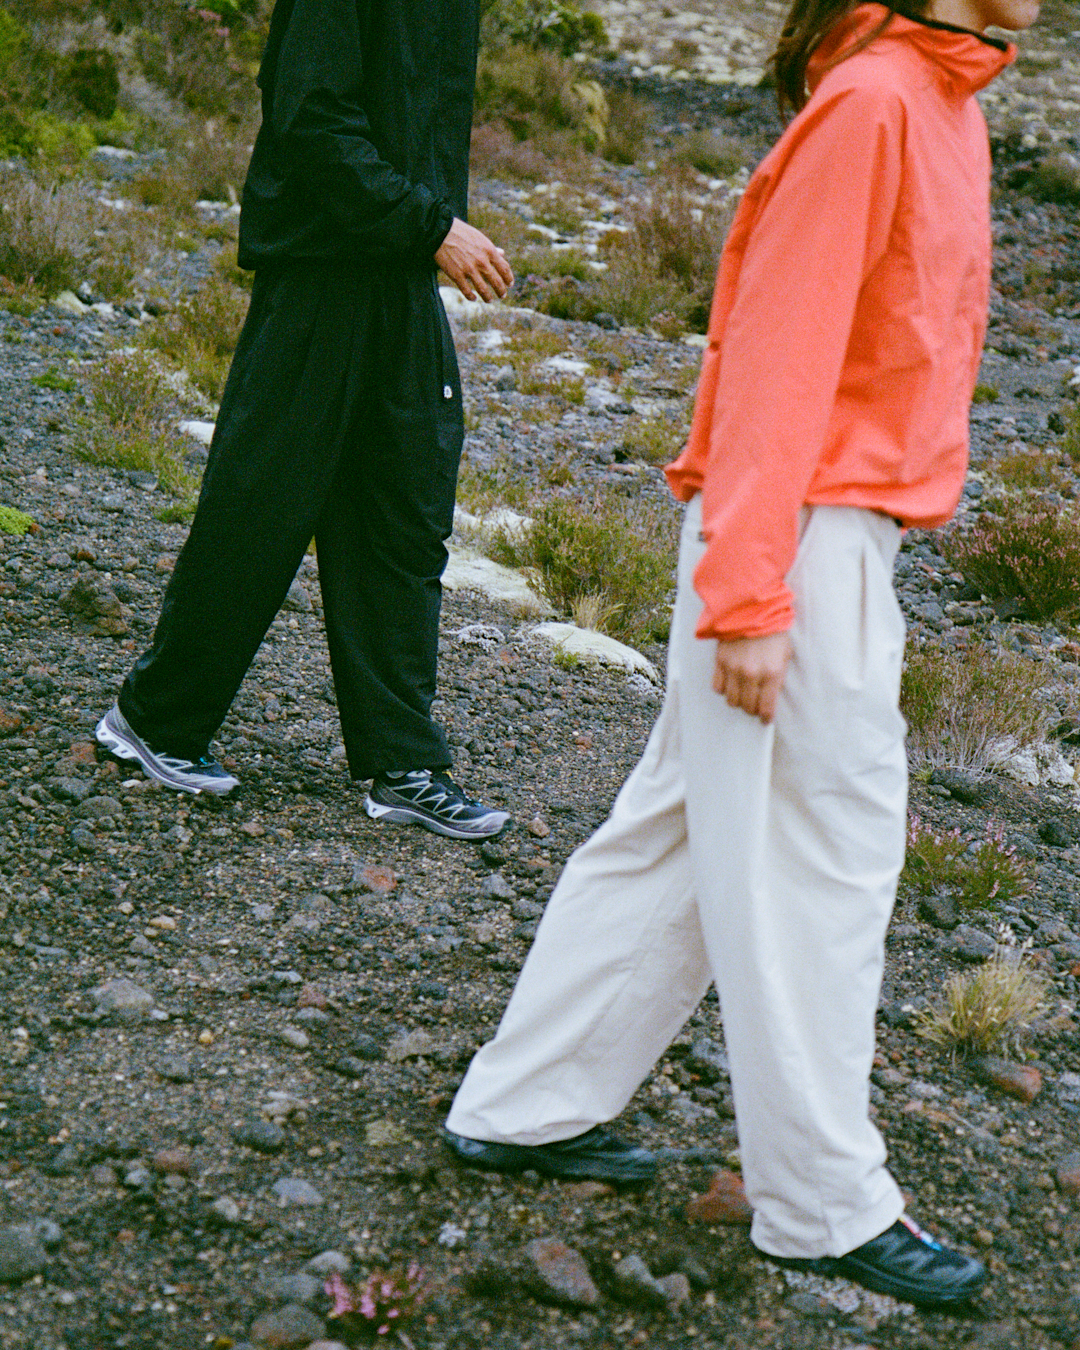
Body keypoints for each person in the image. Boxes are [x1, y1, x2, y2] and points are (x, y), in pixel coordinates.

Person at [441, 0, 1038, 1308]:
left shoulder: (942, 101)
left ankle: (525, 1102)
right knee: (824, 866)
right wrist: (751, 596)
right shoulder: (876, 104)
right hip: (804, 540)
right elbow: (775, 357)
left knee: (673, 832)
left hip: (826, 533)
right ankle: (821, 1205)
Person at [94, 0, 515, 841]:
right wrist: (434, 226)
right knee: (260, 506)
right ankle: (154, 721)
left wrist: (425, 234)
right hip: (321, 274)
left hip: (399, 276)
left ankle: (403, 763)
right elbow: (310, 120)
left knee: (404, 514)